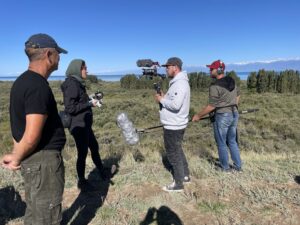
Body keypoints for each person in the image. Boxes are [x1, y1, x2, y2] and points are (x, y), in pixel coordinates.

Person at [1, 33, 67, 224]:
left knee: (35, 210)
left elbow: (17, 128)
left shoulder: (21, 82)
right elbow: (31, 135)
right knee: (47, 215)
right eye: (58, 54)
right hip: (43, 162)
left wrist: (17, 153)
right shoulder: (38, 86)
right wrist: (16, 158)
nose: (60, 58)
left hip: (33, 162)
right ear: (48, 55)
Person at [61, 59, 109, 190]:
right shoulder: (72, 84)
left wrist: (91, 98)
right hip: (78, 125)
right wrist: (89, 104)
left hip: (84, 124)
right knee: (82, 153)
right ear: (77, 69)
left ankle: (102, 171)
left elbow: (79, 101)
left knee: (94, 146)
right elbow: (70, 108)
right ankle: (82, 181)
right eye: (84, 68)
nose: (87, 70)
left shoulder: (77, 83)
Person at [192, 60, 242, 172]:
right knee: (232, 141)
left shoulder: (214, 86)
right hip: (234, 113)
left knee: (221, 143)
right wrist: (233, 105)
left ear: (218, 70)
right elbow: (238, 95)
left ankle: (225, 168)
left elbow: (211, 106)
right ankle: (238, 166)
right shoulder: (232, 80)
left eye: (211, 69)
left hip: (223, 115)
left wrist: (198, 116)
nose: (209, 70)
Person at [155, 57, 191, 192]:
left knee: (172, 153)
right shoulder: (177, 82)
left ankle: (178, 183)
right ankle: (185, 175)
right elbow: (174, 100)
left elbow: (175, 105)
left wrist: (161, 100)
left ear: (175, 67)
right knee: (178, 150)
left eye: (168, 67)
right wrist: (164, 97)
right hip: (176, 123)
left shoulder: (180, 83)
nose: (166, 69)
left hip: (174, 125)